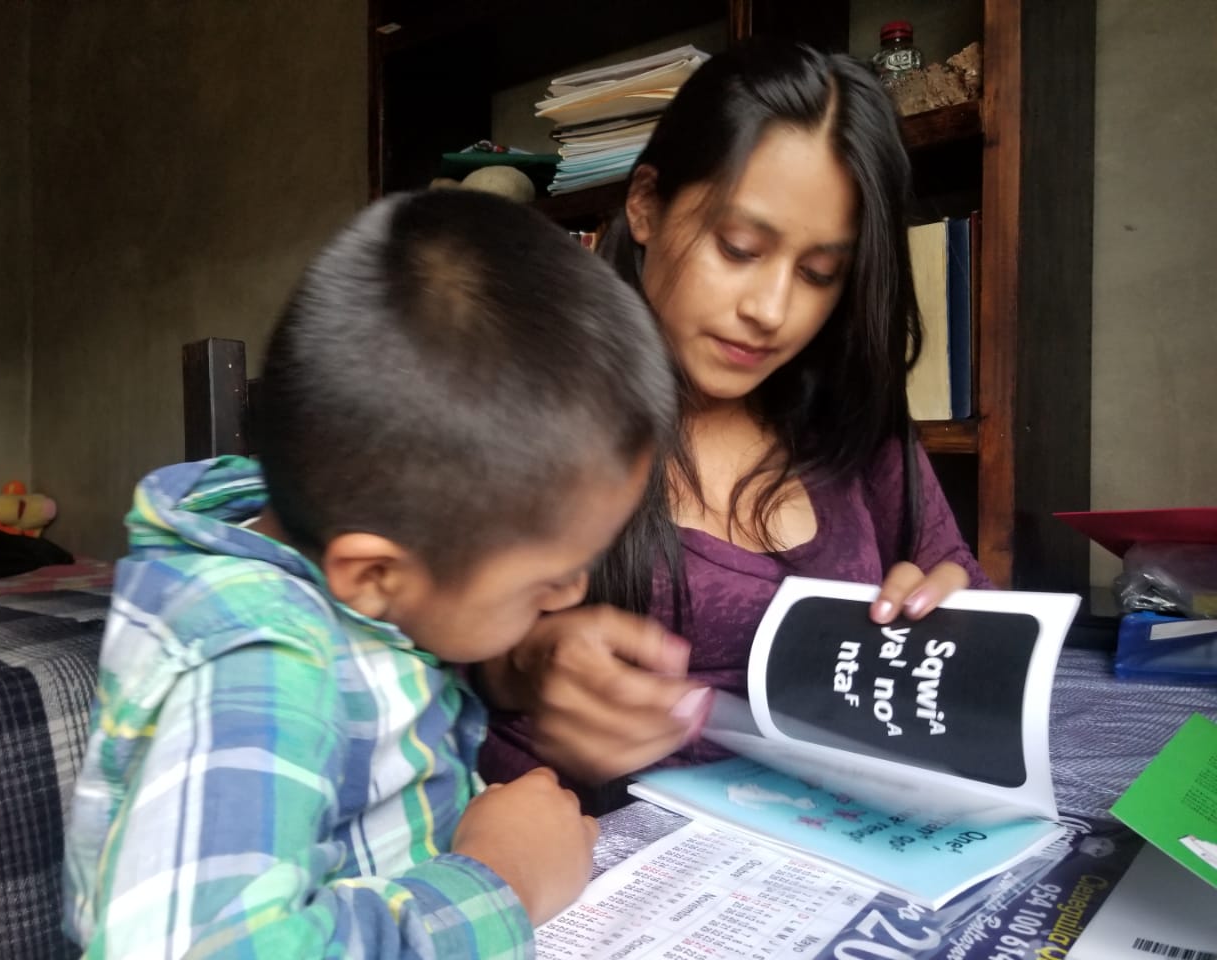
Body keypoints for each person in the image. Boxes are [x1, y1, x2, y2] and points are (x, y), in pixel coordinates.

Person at [61, 188, 676, 958]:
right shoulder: (263, 664)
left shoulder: (343, 563)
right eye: (544, 579)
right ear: (374, 573)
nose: (574, 593)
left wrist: (521, 669)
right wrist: (501, 878)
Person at [477, 40, 994, 798]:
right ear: (646, 205)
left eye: (820, 273)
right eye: (739, 247)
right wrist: (530, 664)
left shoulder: (849, 420)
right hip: (580, 859)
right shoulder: (527, 407)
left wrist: (955, 622)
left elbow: (959, 579)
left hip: (827, 854)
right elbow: (417, 639)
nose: (771, 312)